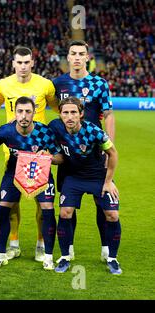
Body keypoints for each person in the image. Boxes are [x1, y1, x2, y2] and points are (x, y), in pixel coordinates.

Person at [0, 46, 58, 262]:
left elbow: (58, 107)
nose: (23, 66)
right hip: (12, 149)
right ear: (13, 63)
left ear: (32, 63)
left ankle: (41, 244)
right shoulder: (3, 84)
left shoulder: (45, 85)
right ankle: (13, 243)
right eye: (19, 62)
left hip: (40, 150)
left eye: (26, 62)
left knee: (43, 201)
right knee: (13, 199)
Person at [52, 40, 115, 262]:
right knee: (68, 205)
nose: (77, 57)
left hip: (94, 154)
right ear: (67, 58)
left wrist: (109, 151)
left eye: (81, 54)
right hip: (67, 153)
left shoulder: (99, 83)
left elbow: (108, 116)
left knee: (102, 202)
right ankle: (68, 249)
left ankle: (106, 246)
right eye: (73, 53)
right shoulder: (58, 84)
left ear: (87, 57)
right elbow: (55, 112)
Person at [0, 97, 63, 270]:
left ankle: (48, 255)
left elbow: (60, 157)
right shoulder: (6, 131)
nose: (24, 116)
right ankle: (1, 254)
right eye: (20, 111)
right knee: (3, 207)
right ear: (15, 113)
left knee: (47, 209)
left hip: (40, 174)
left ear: (34, 113)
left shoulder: (44, 132)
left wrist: (49, 157)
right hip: (13, 174)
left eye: (28, 111)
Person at [49, 97, 122, 275]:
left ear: (81, 114)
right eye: (65, 112)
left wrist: (108, 181)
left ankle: (112, 259)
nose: (69, 116)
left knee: (112, 215)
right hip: (73, 177)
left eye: (74, 112)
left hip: (98, 176)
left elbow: (112, 153)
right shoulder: (55, 127)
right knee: (65, 213)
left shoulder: (93, 131)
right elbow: (36, 130)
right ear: (60, 114)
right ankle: (65, 257)